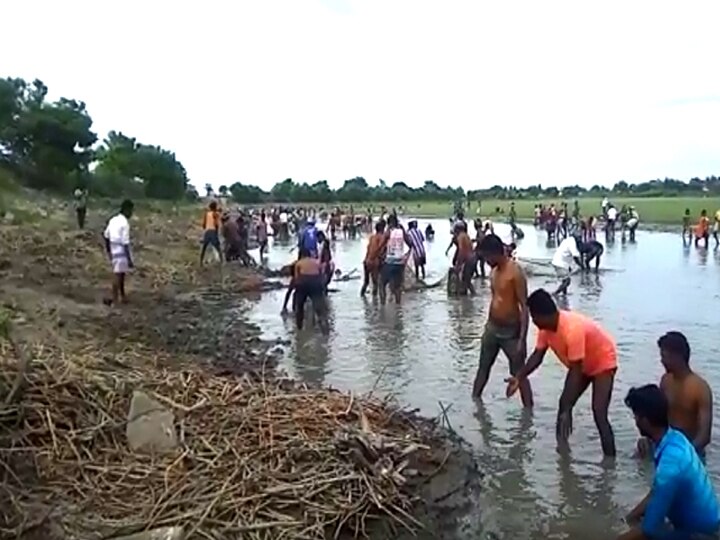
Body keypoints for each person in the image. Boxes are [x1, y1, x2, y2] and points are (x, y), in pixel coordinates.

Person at [506, 289, 616, 456]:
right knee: (563, 405)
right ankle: (562, 455)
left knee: (599, 413)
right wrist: (519, 377)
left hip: (602, 361)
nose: (533, 321)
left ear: (543, 315)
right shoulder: (545, 330)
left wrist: (568, 405)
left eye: (534, 317)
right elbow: (537, 356)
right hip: (582, 365)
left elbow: (575, 372)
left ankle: (610, 464)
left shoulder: (572, 329)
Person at [618, 384, 719, 540]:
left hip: (702, 535)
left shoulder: (671, 463)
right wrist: (629, 518)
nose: (636, 421)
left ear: (644, 421)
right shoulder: (675, 439)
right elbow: (656, 492)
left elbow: (649, 530)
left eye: (636, 416)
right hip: (705, 525)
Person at [473, 234, 532, 407]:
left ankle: (528, 414)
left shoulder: (515, 272)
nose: (485, 262)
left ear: (494, 253)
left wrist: (522, 339)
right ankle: (475, 404)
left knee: (519, 374)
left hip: (511, 332)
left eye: (486, 257)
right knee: (483, 367)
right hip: (492, 328)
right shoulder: (494, 271)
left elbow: (524, 307)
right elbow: (496, 299)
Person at [636, 332, 712, 459]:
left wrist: (684, 454)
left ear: (677, 356)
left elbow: (704, 437)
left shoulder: (700, 388)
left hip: (689, 448)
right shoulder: (665, 381)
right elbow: (657, 418)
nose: (661, 361)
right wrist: (648, 438)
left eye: (664, 356)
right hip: (665, 443)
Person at [102, 199, 134, 306]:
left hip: (113, 247)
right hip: (121, 249)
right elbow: (125, 242)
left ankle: (122, 296)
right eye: (131, 211)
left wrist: (108, 250)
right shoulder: (125, 223)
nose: (131, 214)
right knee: (118, 275)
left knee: (121, 273)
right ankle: (115, 299)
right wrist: (129, 259)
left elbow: (106, 235)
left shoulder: (113, 219)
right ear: (127, 209)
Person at [293, 247, 329, 334]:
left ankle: (299, 330)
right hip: (315, 283)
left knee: (300, 307)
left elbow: (296, 278)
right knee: (320, 310)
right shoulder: (316, 262)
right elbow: (321, 275)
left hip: (303, 283)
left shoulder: (298, 263)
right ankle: (325, 332)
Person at [379, 214, 412, 305]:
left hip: (389, 262)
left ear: (389, 223)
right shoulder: (402, 230)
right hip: (400, 263)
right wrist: (406, 256)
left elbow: (381, 245)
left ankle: (382, 307)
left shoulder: (389, 231)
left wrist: (382, 255)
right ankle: (398, 308)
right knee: (397, 288)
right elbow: (410, 244)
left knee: (382, 284)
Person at [361, 220, 386, 297]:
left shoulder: (372, 237)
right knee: (376, 283)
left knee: (366, 282)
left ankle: (362, 296)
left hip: (366, 261)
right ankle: (375, 304)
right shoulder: (382, 237)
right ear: (382, 229)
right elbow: (381, 251)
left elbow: (370, 249)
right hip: (374, 262)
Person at [453, 222, 476, 295]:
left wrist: (458, 265)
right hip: (473, 259)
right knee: (466, 281)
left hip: (469, 260)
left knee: (466, 281)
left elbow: (461, 251)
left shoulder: (460, 237)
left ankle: (473, 295)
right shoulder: (466, 235)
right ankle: (467, 301)